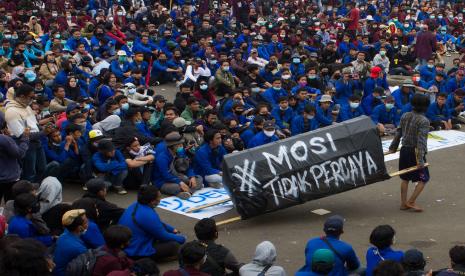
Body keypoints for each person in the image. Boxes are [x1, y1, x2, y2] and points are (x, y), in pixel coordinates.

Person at [118, 185, 186, 261]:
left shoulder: (136, 205)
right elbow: (163, 236)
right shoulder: (148, 214)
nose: (160, 200)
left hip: (128, 244)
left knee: (169, 236)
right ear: (153, 201)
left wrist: (172, 229)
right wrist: (182, 238)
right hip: (135, 251)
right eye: (159, 198)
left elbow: (157, 223)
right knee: (175, 245)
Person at [388, 94, 431, 212]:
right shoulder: (424, 121)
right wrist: (421, 160)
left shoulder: (405, 115)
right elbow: (421, 142)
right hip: (415, 152)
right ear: (425, 107)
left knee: (405, 178)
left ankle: (403, 203)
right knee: (424, 178)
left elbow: (398, 133)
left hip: (404, 150)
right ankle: (411, 201)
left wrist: (393, 147)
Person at [0, 112, 29, 203]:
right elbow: (19, 153)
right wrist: (25, 138)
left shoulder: (5, 139)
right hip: (8, 178)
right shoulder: (4, 139)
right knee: (10, 204)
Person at [53, 209, 90, 276]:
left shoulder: (62, 236)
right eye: (86, 222)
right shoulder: (80, 249)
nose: (88, 223)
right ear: (79, 228)